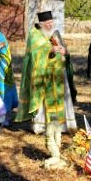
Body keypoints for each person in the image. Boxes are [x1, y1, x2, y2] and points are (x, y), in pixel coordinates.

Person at [15, 11, 77, 169]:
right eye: (47, 23)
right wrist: (50, 50)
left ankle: (60, 136)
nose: (50, 25)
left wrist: (64, 52)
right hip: (42, 78)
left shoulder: (54, 34)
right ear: (41, 24)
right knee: (46, 109)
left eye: (51, 22)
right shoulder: (34, 35)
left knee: (58, 109)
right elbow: (35, 53)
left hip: (57, 78)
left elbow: (63, 50)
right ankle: (43, 130)